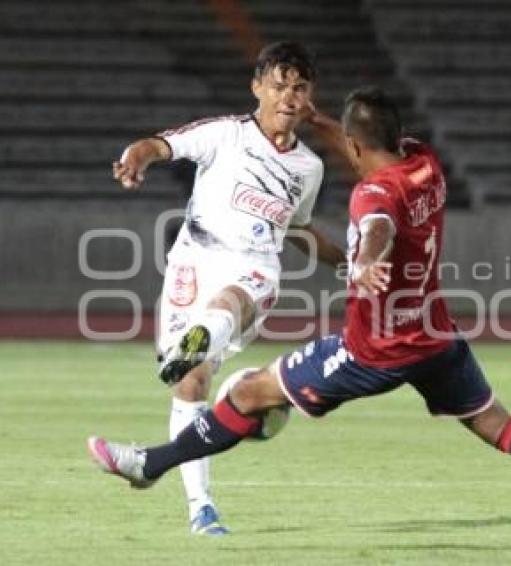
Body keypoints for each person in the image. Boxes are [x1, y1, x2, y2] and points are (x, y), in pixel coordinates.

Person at [91, 88, 511, 550]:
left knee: (247, 394)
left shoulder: (371, 197)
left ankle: (151, 464)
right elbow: (372, 149)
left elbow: (377, 229)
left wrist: (365, 263)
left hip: (373, 350)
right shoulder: (427, 164)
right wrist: (324, 126)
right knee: (498, 423)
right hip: (437, 335)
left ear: (355, 146)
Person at [110, 41, 344, 536]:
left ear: (309, 97)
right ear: (257, 87)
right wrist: (137, 156)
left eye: (299, 88)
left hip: (255, 270)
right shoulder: (223, 135)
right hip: (194, 261)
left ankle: (201, 338)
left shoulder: (309, 168)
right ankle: (201, 509)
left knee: (231, 302)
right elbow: (160, 145)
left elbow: (298, 230)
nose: (289, 97)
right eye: (279, 85)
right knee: (190, 384)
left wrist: (346, 262)